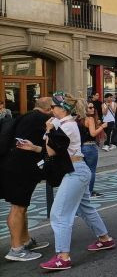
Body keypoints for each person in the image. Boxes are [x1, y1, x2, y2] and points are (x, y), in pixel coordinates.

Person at [16, 92, 116, 270]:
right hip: (77, 170)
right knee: (85, 207)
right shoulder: (62, 123)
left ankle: (63, 256)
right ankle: (105, 239)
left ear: (61, 108)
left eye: (53, 107)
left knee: (59, 214)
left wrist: (48, 131)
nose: (50, 110)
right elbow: (54, 151)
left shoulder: (66, 126)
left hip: (75, 172)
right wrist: (33, 147)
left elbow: (52, 152)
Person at [2, 97, 52, 262]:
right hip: (20, 169)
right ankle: (16, 249)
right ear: (49, 108)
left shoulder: (26, 116)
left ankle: (25, 241)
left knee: (22, 206)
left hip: (13, 167)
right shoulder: (43, 119)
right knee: (18, 207)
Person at [81, 102, 108, 196]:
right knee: (91, 170)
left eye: (93, 107)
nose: (93, 109)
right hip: (90, 147)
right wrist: (102, 127)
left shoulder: (79, 119)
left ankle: (83, 191)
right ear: (85, 109)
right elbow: (93, 134)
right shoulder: (90, 119)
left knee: (83, 170)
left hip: (81, 147)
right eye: (90, 107)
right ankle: (90, 191)